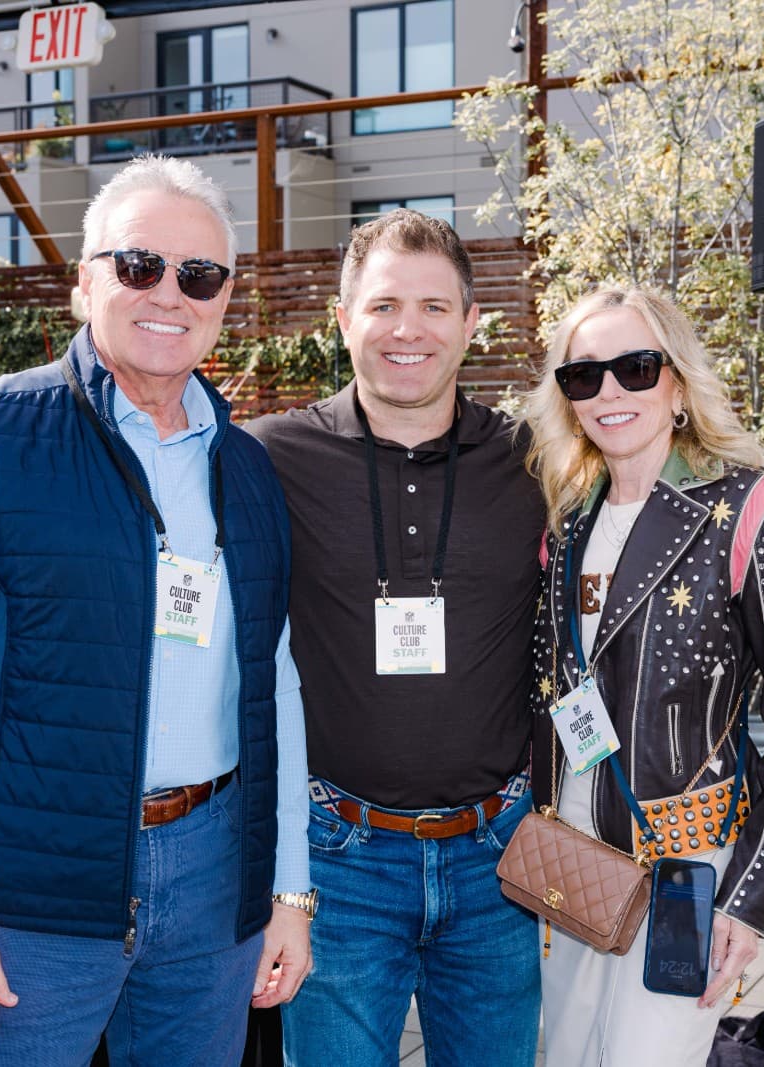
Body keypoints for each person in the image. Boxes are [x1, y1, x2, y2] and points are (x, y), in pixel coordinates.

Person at [0, 155, 315, 1066]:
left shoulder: (249, 467)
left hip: (215, 880)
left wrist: (288, 890)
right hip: (32, 891)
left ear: (225, 299)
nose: (169, 293)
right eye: (139, 265)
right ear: (84, 282)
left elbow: (275, 683)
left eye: (200, 275)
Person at [247, 210, 546, 1066]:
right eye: (383, 306)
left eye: (433, 307)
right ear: (343, 320)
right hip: (337, 861)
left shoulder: (535, 461)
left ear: (471, 322)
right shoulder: (268, 457)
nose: (407, 330)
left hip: (498, 861)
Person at [521, 286, 764, 1065]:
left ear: (679, 382)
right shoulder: (566, 525)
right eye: (583, 375)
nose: (610, 392)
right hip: (570, 868)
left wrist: (751, 900)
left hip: (686, 872)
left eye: (635, 367)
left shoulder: (753, 508)